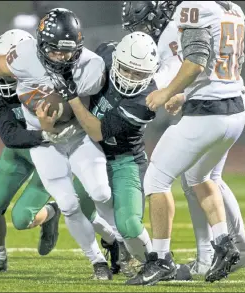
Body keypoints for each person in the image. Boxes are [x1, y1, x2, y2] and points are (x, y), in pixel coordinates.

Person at [0, 8, 125, 280]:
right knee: (61, 205)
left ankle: (122, 241)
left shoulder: (90, 66)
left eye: (67, 52)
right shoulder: (23, 59)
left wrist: (57, 120)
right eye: (55, 51)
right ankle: (95, 260)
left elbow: (87, 111)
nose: (61, 58)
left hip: (74, 136)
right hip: (38, 144)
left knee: (99, 193)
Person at [121, 0, 245, 280]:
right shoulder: (231, 8)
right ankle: (224, 244)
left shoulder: (192, 7)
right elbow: (226, 63)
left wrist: (164, 93)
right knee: (199, 176)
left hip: (208, 112)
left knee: (156, 180)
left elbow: (196, 62)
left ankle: (160, 260)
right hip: (233, 110)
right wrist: (184, 95)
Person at [36, 31, 160, 279]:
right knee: (80, 207)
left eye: (140, 74)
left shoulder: (144, 101)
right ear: (117, 60)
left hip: (125, 160)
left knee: (129, 224)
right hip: (94, 154)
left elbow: (97, 130)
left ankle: (158, 262)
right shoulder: (104, 54)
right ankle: (115, 246)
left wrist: (72, 97)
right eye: (127, 69)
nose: (132, 78)